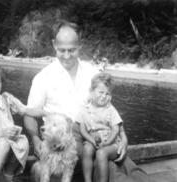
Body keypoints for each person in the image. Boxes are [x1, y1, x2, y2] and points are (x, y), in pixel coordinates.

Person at [23, 21, 128, 182]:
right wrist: (35, 139)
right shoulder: (43, 77)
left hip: (93, 139)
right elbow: (30, 114)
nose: (66, 56)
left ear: (80, 45)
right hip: (59, 144)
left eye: (71, 50)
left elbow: (108, 108)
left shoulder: (93, 74)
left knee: (122, 168)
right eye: (61, 50)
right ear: (54, 45)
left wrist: (123, 136)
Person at [78, 72, 123, 182]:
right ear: (91, 92)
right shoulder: (84, 109)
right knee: (87, 149)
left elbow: (116, 129)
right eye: (101, 92)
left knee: (101, 153)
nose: (104, 96)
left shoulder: (111, 109)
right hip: (92, 140)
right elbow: (82, 129)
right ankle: (87, 180)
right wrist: (91, 140)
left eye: (107, 94)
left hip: (111, 143)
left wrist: (107, 143)